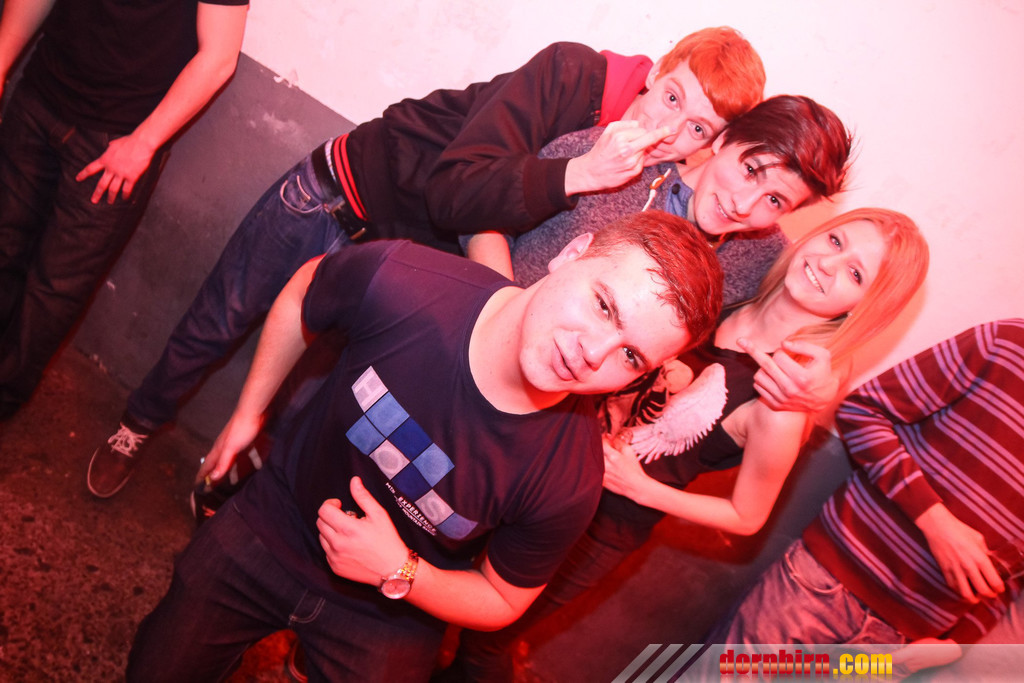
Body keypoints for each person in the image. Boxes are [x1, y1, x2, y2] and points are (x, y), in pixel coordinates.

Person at [85, 26, 767, 498]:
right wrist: (580, 173)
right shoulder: (575, 76)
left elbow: (507, 237)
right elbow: (455, 190)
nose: (669, 131)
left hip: (395, 260)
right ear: (658, 71)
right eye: (672, 98)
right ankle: (135, 426)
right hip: (341, 195)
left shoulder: (647, 180)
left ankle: (233, 489)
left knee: (313, 392)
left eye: (697, 128)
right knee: (221, 320)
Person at [125, 211, 723, 681]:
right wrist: (249, 411)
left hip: (392, 610)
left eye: (631, 356)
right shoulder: (406, 282)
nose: (593, 353)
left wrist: (402, 571)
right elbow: (305, 289)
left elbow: (504, 598)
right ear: (571, 254)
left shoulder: (569, 479)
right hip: (275, 519)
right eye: (603, 304)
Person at [446, 208, 930, 682]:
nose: (827, 263)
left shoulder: (782, 397)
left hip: (601, 525)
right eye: (836, 241)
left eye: (855, 274)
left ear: (861, 309)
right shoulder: (729, 299)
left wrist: (642, 488)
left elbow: (748, 517)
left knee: (486, 643)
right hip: (544, 467)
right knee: (453, 584)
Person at [706, 318, 1024, 680]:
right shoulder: (1006, 342)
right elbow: (862, 412)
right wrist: (936, 522)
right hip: (822, 583)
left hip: (901, 642)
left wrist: (957, 642)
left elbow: (1012, 574)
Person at [0, 0, 249, 420]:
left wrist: (144, 143)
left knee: (53, 290)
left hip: (116, 143)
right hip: (39, 94)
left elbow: (220, 57)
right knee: (4, 244)